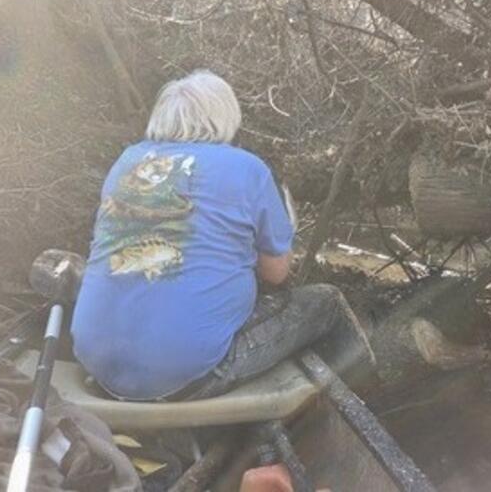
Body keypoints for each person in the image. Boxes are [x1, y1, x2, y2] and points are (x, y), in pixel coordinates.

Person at [71, 71, 368, 401]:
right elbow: (276, 273)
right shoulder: (246, 168)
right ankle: (374, 402)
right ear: (226, 117)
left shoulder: (126, 162)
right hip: (182, 376)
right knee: (326, 303)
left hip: (97, 364)